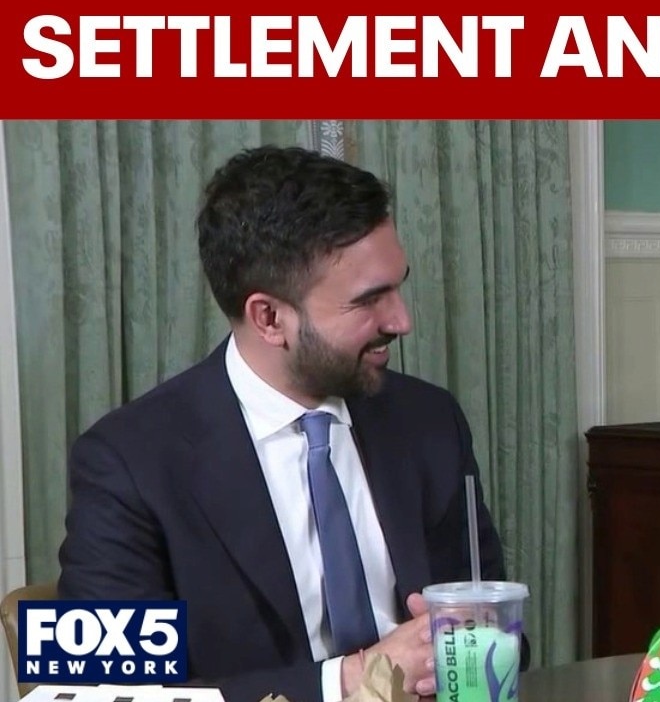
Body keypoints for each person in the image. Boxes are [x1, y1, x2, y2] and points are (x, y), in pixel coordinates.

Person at [57, 146, 524, 702]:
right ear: (270, 317)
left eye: (398, 286)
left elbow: (500, 633)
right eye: (369, 301)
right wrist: (350, 680)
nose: (402, 320)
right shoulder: (128, 462)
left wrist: (467, 648)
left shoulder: (430, 420)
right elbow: (101, 692)